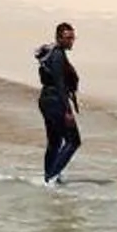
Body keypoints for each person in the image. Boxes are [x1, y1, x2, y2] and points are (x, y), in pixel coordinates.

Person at [37, 22, 83, 184]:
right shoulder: (57, 56)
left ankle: (49, 176)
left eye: (73, 38)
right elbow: (60, 84)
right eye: (68, 38)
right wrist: (68, 111)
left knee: (55, 142)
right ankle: (52, 176)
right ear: (58, 38)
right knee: (73, 141)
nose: (71, 41)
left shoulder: (56, 53)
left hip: (47, 99)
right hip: (55, 101)